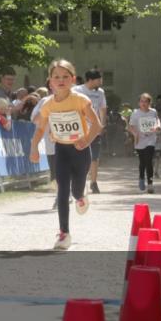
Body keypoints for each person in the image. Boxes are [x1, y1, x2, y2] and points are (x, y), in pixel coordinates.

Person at [29, 59, 102, 250]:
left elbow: (97, 125)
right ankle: (64, 233)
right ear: (50, 82)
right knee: (62, 190)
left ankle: (81, 196)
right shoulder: (47, 105)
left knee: (76, 190)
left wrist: (86, 140)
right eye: (56, 77)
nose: (60, 80)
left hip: (80, 150)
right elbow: (39, 129)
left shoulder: (80, 100)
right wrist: (34, 147)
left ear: (73, 79)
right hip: (61, 150)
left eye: (65, 77)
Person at [74, 70, 107, 194]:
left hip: (95, 129)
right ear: (91, 80)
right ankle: (79, 181)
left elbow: (103, 109)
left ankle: (93, 182)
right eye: (99, 79)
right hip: (80, 129)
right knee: (80, 157)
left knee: (95, 157)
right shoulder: (77, 90)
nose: (101, 82)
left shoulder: (100, 92)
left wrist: (102, 125)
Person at [128, 93, 161, 193]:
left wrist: (158, 126)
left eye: (146, 101)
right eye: (142, 101)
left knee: (149, 160)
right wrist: (135, 134)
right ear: (139, 103)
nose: (144, 103)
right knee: (142, 162)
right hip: (140, 140)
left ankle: (150, 184)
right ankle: (141, 177)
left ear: (149, 103)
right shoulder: (135, 113)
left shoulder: (153, 112)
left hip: (151, 139)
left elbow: (157, 121)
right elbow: (130, 127)